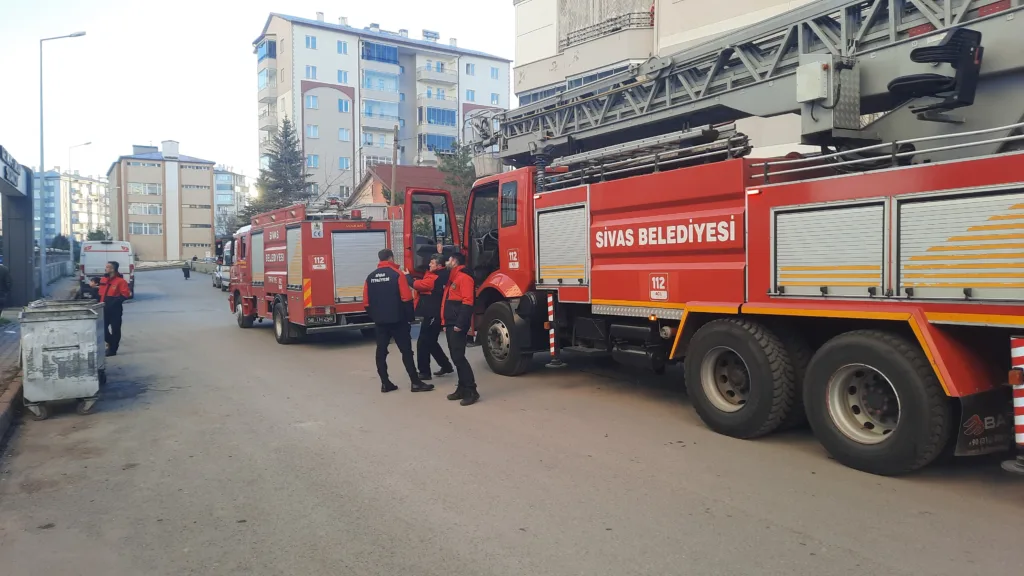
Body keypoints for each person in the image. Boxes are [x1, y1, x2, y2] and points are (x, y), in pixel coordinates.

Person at [363, 249, 434, 394]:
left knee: (381, 352)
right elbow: (406, 298)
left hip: (380, 322)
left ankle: (385, 383)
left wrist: (376, 316)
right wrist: (410, 318)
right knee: (406, 352)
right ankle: (415, 382)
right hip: (398, 320)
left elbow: (366, 303)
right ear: (391, 258)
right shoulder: (397, 275)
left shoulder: (370, 277)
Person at [441, 252, 479, 406]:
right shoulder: (454, 277)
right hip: (451, 322)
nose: (446, 262)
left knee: (459, 357)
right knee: (456, 356)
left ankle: (471, 390)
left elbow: (468, 302)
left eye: (448, 259)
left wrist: (460, 324)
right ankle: (462, 388)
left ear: (455, 261)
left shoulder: (464, 278)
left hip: (457, 324)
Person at [411, 254, 455, 380]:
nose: (429, 265)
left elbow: (418, 285)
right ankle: (446, 366)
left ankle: (424, 372)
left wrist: (407, 276)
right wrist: (440, 252)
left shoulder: (435, 278)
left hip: (433, 315)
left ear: (439, 266)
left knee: (423, 343)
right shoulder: (443, 274)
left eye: (432, 263)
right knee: (431, 342)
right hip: (435, 314)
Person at [91, 261, 132, 357]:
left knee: (115, 329)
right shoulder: (104, 279)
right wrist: (93, 285)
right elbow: (98, 289)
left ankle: (113, 349)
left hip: (115, 309)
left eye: (108, 267)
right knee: (102, 329)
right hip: (103, 308)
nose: (106, 268)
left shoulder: (120, 281)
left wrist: (114, 302)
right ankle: (111, 343)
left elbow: (125, 295)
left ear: (113, 269)